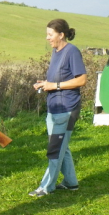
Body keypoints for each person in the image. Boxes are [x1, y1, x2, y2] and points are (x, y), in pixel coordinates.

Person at [31, 19, 87, 197]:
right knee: (61, 146)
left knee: (55, 148)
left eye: (50, 34)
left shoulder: (72, 52)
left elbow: (81, 80)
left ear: (61, 34)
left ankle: (46, 186)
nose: (47, 38)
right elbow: (59, 79)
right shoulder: (56, 52)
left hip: (67, 108)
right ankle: (71, 182)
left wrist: (54, 86)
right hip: (54, 108)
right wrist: (45, 84)